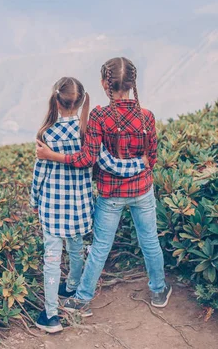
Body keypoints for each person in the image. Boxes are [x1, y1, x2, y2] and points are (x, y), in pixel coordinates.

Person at [36, 58, 171, 317]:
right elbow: (150, 159)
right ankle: (158, 291)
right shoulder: (147, 117)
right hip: (142, 191)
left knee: (100, 248)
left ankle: (82, 298)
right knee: (150, 242)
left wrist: (54, 156)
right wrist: (137, 167)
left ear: (103, 84)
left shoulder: (99, 115)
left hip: (110, 194)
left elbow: (87, 158)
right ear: (133, 84)